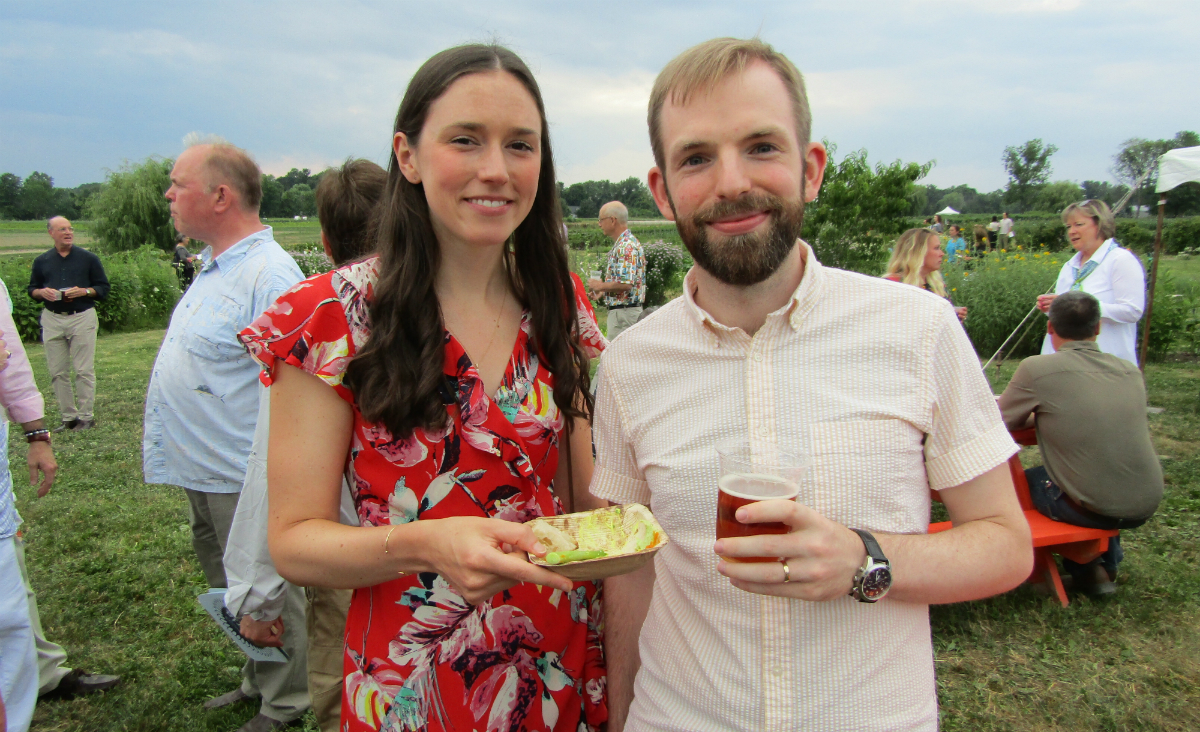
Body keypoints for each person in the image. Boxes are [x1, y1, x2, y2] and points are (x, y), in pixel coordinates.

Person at [594, 37, 1032, 732]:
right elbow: (635, 573)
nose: (731, 181)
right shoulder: (628, 365)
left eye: (762, 146)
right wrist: (621, 717)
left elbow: (1006, 544)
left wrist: (866, 559)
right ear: (663, 190)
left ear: (811, 168)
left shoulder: (919, 329)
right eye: (697, 157)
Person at [238, 44, 608, 732]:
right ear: (407, 156)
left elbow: (584, 498)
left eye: (520, 145)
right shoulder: (332, 318)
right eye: (465, 139)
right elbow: (293, 541)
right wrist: (426, 545)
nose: (495, 170)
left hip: (556, 664)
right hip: (414, 679)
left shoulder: (561, 300)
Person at [142, 136, 306, 732]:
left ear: (220, 195)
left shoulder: (269, 274)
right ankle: (257, 674)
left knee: (264, 584)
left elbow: (292, 389)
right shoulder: (217, 267)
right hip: (204, 468)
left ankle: (285, 700)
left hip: (243, 471)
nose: (168, 193)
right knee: (230, 582)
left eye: (177, 183)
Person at [224, 157, 387, 732]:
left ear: (323, 241)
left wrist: (257, 596)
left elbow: (269, 477)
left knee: (347, 698)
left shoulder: (319, 322)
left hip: (346, 564)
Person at [999, 291, 1162, 595]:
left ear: (1050, 328)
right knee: (1097, 467)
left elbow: (998, 423)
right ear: (1098, 327)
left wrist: (1037, 414)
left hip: (1092, 503)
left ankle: (1084, 568)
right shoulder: (1129, 370)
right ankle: (1105, 565)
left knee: (1022, 482)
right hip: (1145, 499)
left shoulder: (1036, 369)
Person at [1035, 199, 1145, 365]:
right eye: (1068, 227)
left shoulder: (1120, 260)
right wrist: (1051, 307)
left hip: (1106, 361)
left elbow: (1132, 311)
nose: (1072, 231)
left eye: (1079, 224)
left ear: (1099, 225)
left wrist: (1084, 308)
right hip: (1063, 361)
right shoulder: (1069, 266)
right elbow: (1066, 315)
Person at [26, 216, 110, 432]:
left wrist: (85, 291)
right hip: (52, 317)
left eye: (70, 229)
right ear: (51, 233)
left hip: (81, 315)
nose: (68, 232)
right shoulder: (42, 261)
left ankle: (86, 417)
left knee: (83, 369)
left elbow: (103, 288)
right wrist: (41, 292)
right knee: (57, 372)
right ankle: (68, 418)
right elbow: (32, 290)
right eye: (62, 229)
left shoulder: (88, 258)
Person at [588, 201, 646, 340]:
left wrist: (599, 286)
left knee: (618, 360)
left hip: (624, 316)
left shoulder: (625, 247)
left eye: (601, 219)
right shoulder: (625, 243)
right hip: (623, 314)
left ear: (612, 220)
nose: (599, 224)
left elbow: (626, 284)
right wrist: (603, 291)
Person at [884, 227, 968, 322]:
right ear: (918, 252)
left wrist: (953, 313)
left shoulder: (936, 283)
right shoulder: (892, 284)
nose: (942, 253)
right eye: (936, 248)